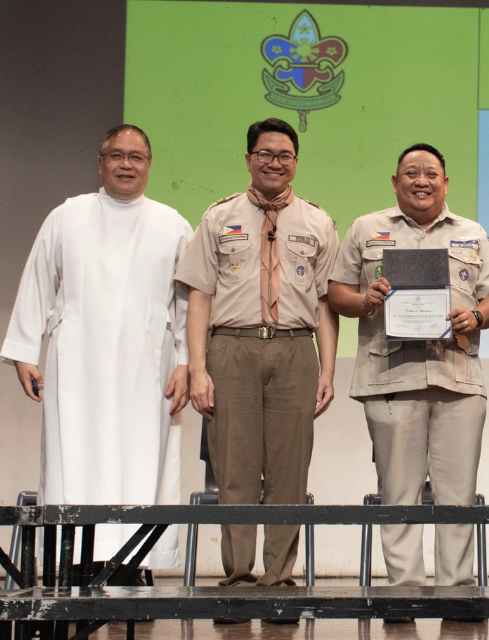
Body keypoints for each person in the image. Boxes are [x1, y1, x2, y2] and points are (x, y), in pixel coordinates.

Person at [0, 124, 192, 569]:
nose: (126, 165)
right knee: (74, 454)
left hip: (148, 368)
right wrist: (25, 352)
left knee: (144, 459)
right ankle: (74, 561)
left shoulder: (172, 223)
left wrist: (185, 361)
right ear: (100, 162)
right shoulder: (66, 216)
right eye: (117, 155)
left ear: (149, 165)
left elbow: (187, 304)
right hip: (78, 362)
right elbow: (37, 281)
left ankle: (135, 564)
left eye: (136, 157)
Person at [327, 143, 489, 594]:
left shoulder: (472, 232)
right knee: (398, 491)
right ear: (395, 181)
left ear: (446, 182)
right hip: (389, 376)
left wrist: (478, 316)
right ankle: (404, 589)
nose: (421, 180)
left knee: (457, 493)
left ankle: (456, 590)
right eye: (411, 173)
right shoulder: (366, 228)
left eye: (431, 173)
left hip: (457, 378)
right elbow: (336, 293)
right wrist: (364, 300)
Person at [174, 118, 339, 601]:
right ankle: (237, 578)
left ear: (295, 162)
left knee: (290, 471)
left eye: (284, 155)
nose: (275, 162)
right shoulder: (217, 217)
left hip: (294, 349)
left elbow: (327, 303)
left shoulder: (317, 221)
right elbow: (200, 296)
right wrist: (199, 368)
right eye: (265, 154)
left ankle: (279, 580)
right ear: (248, 159)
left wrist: (327, 369)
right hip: (231, 347)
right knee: (235, 469)